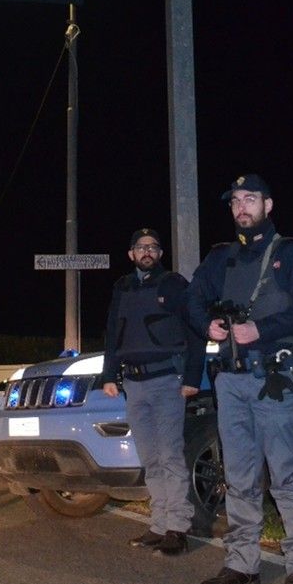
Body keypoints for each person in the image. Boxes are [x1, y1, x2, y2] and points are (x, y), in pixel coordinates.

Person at [186, 173, 293, 584]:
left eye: (250, 199)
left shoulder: (289, 253)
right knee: (238, 476)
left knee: (285, 475)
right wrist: (203, 321)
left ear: (268, 205)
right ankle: (243, 564)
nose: (241, 207)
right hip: (230, 380)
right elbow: (192, 297)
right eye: (235, 202)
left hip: (272, 380)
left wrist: (259, 330)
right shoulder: (220, 259)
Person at [99, 228, 198, 556]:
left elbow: (195, 328)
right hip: (134, 385)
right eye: (141, 247)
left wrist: (192, 376)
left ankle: (178, 527)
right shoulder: (122, 287)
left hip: (167, 380)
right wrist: (109, 375)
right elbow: (113, 333)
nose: (147, 251)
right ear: (131, 254)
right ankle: (159, 525)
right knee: (150, 458)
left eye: (153, 247)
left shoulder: (174, 284)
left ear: (159, 254)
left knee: (170, 454)